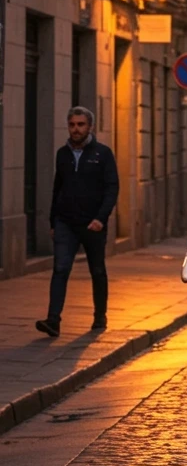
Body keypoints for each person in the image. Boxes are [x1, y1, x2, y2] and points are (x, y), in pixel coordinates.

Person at [35, 106, 120, 337]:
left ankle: (100, 315)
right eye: (72, 124)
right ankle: (53, 320)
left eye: (80, 125)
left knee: (97, 270)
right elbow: (57, 188)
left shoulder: (102, 154)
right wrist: (54, 221)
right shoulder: (62, 154)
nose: (76, 129)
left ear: (89, 126)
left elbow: (112, 188)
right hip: (66, 222)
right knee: (60, 269)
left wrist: (101, 218)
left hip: (92, 223)